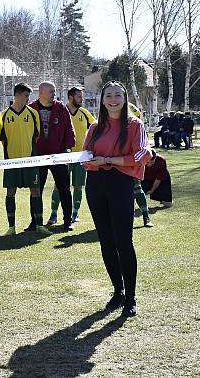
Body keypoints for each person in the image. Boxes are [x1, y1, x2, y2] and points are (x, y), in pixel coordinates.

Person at [82, 81, 150, 317]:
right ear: (102, 100)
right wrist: (89, 160)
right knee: (106, 241)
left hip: (120, 185)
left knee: (123, 241)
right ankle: (118, 291)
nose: (113, 99)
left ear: (125, 98)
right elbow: (86, 155)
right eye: (108, 95)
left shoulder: (134, 125)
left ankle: (131, 297)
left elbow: (141, 154)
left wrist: (109, 161)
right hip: (96, 185)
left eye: (118, 95)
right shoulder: (94, 126)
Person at [29, 81, 75, 232]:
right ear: (41, 92)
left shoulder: (61, 107)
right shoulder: (31, 108)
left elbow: (69, 128)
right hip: (38, 157)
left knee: (64, 189)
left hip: (58, 156)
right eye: (51, 91)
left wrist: (68, 148)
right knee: (36, 190)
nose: (54, 94)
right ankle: (35, 222)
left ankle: (68, 221)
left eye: (54, 91)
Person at [0, 83, 43, 236]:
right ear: (17, 95)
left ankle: (39, 225)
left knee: (36, 191)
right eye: (25, 96)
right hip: (12, 162)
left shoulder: (33, 113)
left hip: (31, 161)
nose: (28, 99)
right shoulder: (4, 114)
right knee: (11, 192)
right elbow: (3, 140)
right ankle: (11, 227)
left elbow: (36, 136)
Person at [49, 86, 95, 226]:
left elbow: (96, 129)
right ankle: (54, 214)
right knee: (59, 186)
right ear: (71, 97)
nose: (81, 99)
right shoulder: (61, 112)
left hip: (81, 157)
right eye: (79, 96)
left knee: (78, 186)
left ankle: (75, 214)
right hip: (63, 156)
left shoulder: (85, 113)